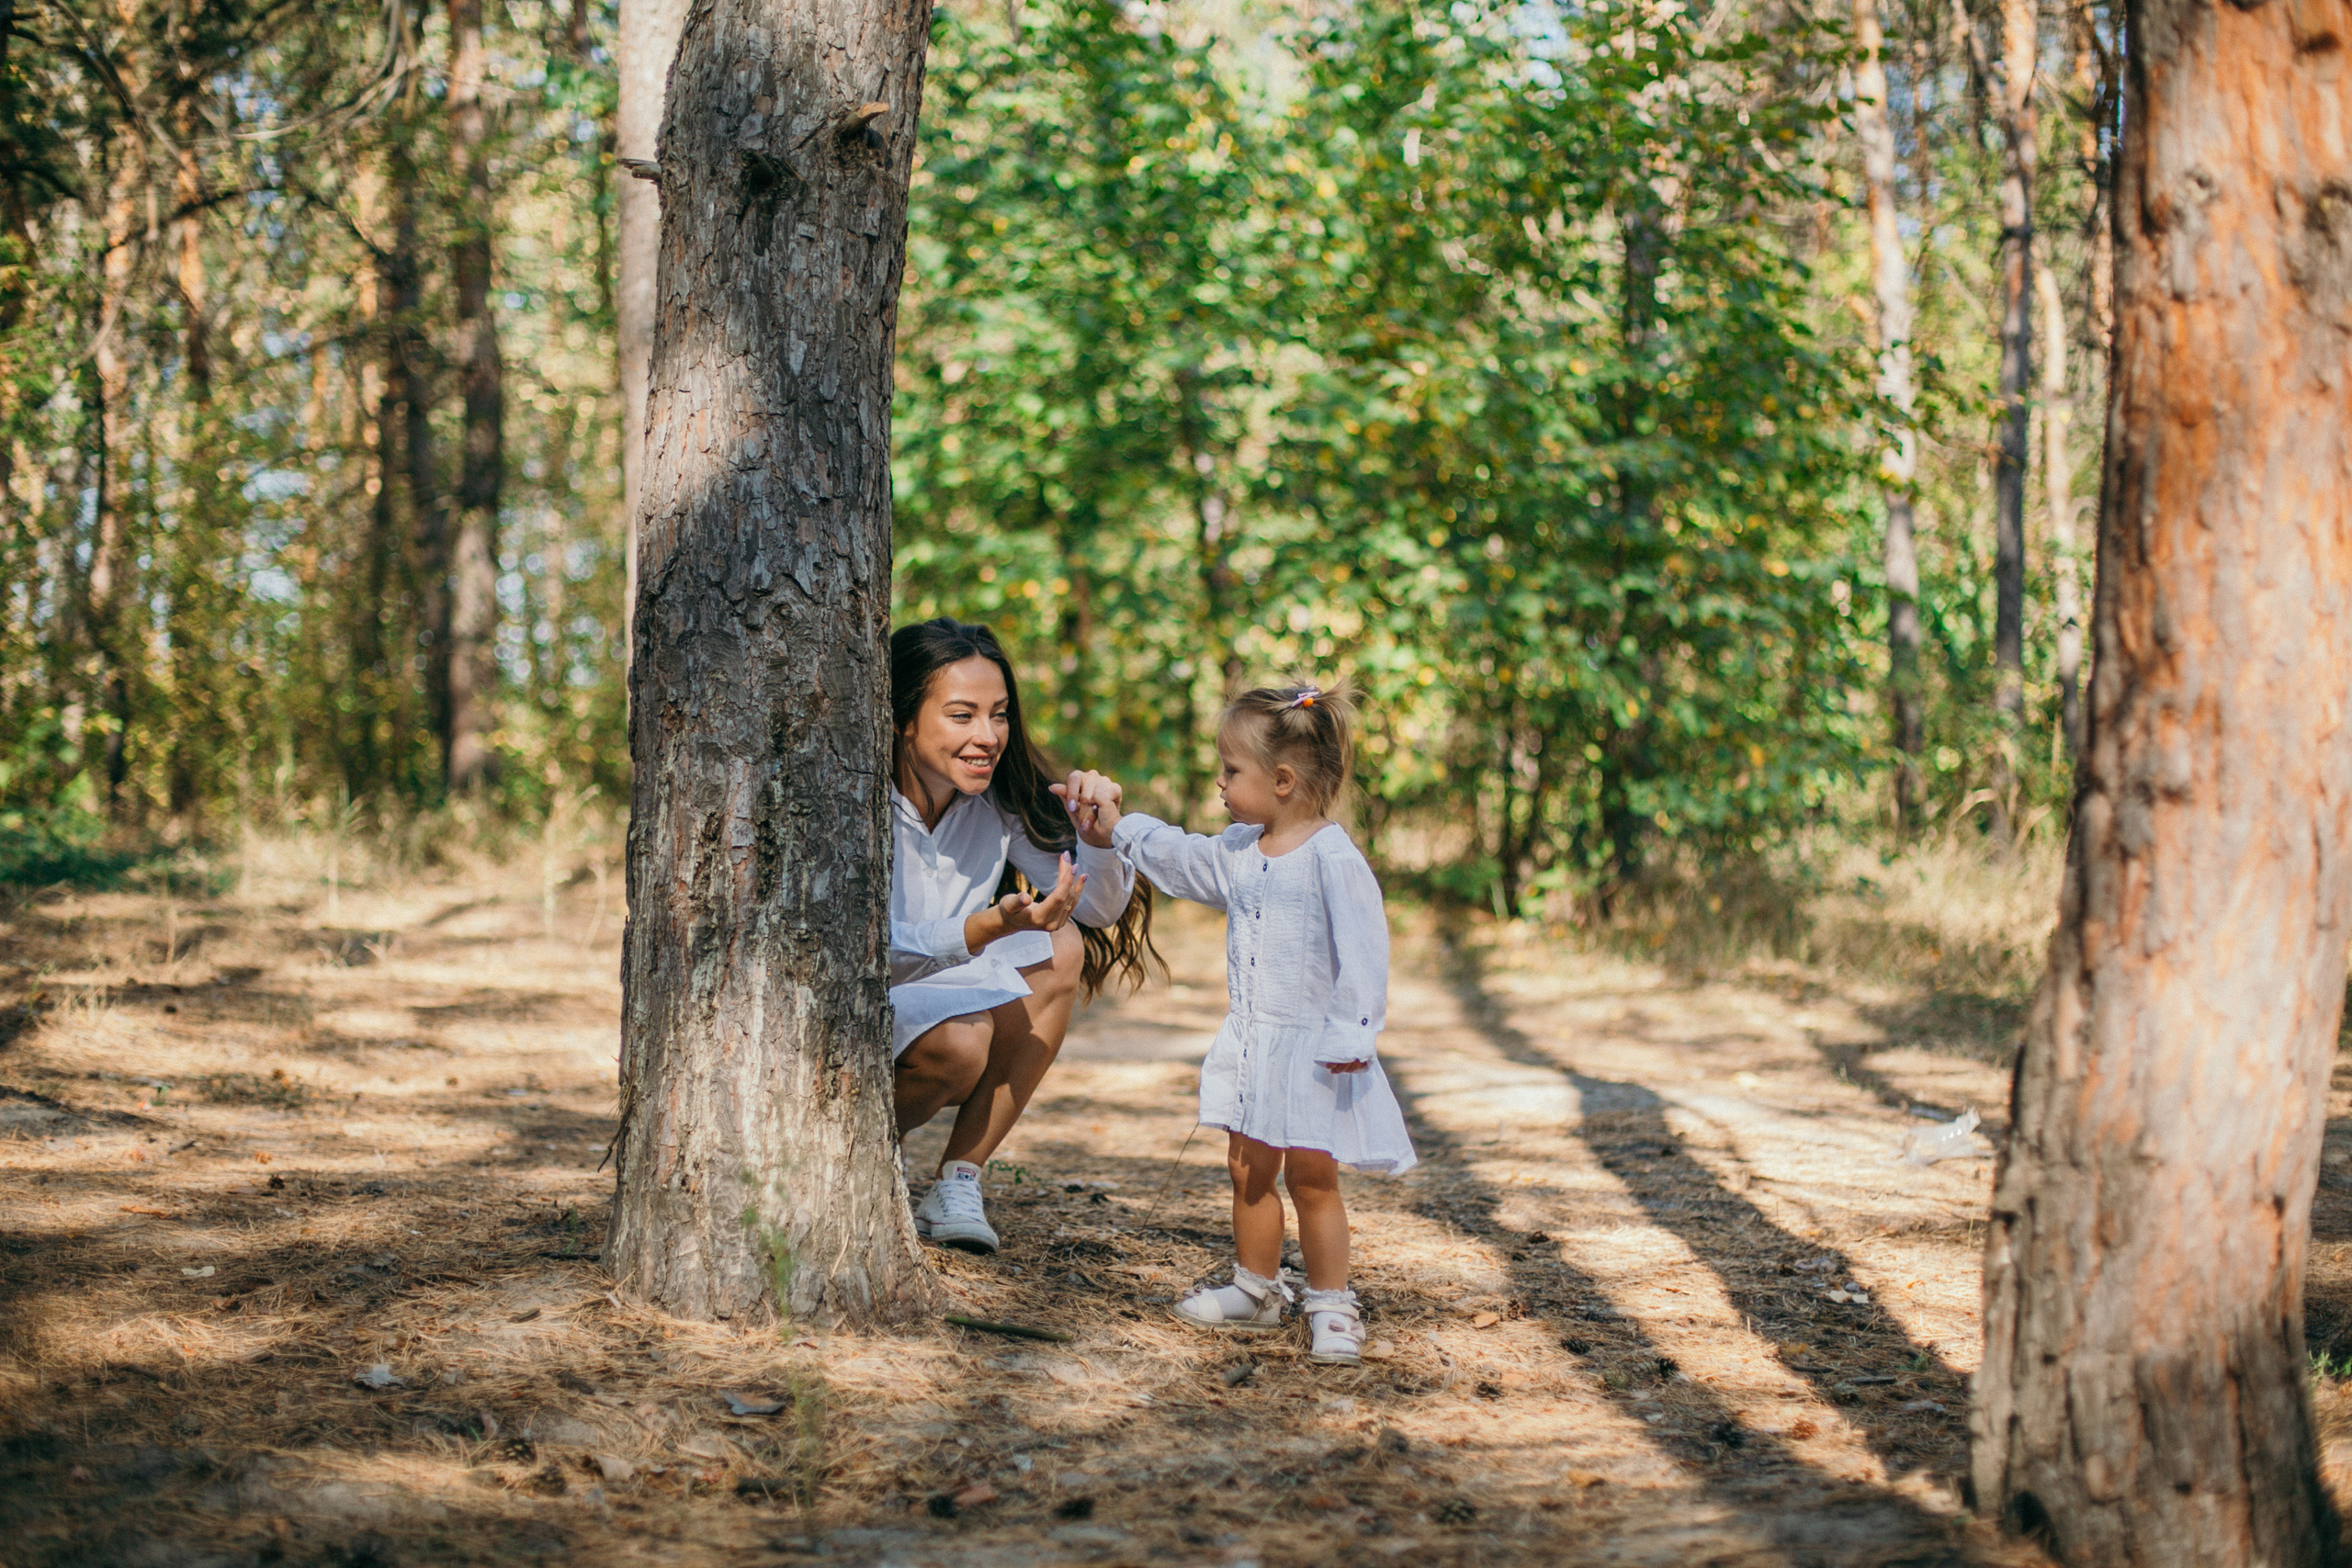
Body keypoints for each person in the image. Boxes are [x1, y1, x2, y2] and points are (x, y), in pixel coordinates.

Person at [1091, 679, 1415, 1366]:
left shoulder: (1332, 857)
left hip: (1314, 1049)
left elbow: (1364, 949)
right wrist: (1119, 827)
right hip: (1254, 1042)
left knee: (1313, 1179)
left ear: (1283, 780)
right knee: (1247, 1170)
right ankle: (1257, 1289)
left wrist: (1354, 1031)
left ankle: (1332, 1302)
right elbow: (1180, 857)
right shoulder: (1240, 851)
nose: (1220, 782)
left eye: (1232, 770)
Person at [887, 618, 1158, 1256]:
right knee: (961, 1042)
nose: (988, 736)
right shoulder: (851, 798)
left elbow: (1097, 911)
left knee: (1063, 946)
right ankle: (856, 1155)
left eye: (1000, 714)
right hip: (847, 1009)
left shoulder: (997, 802)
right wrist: (985, 927)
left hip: (937, 987)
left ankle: (958, 1179)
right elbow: (858, 955)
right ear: (902, 720)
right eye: (962, 715)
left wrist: (1097, 839)